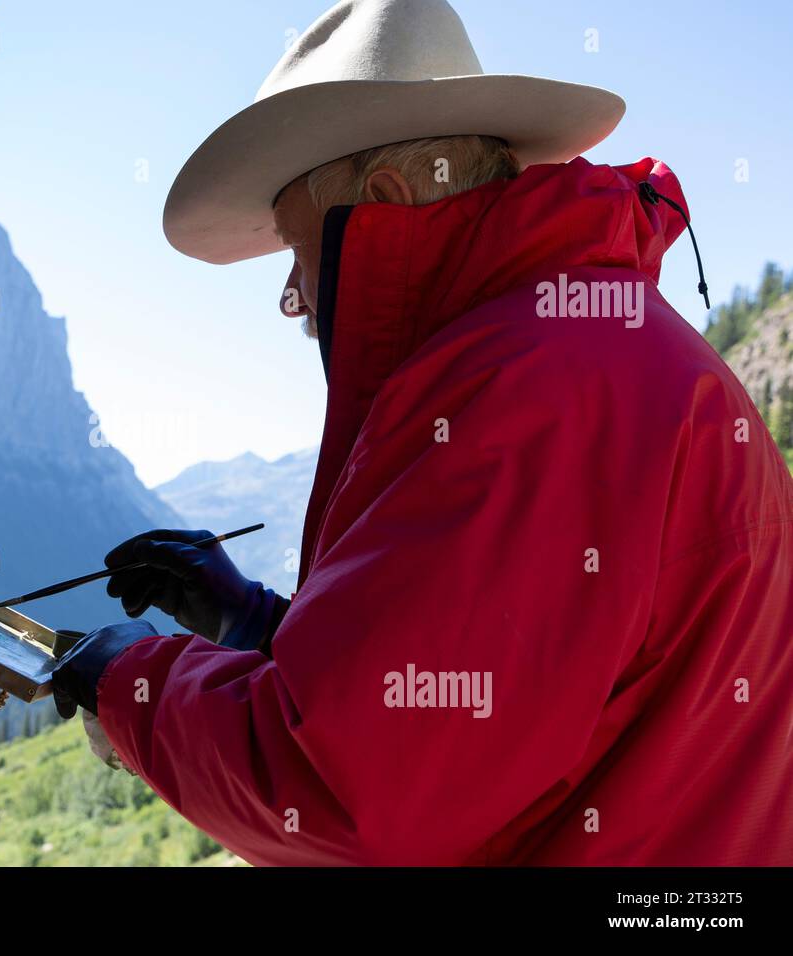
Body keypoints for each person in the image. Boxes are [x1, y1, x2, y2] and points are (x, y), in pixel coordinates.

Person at [50, 0, 793, 865]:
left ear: (385, 202)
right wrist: (254, 623)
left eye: (298, 255)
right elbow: (493, 699)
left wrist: (128, 684)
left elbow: (350, 792)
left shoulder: (530, 386)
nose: (296, 302)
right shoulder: (590, 337)